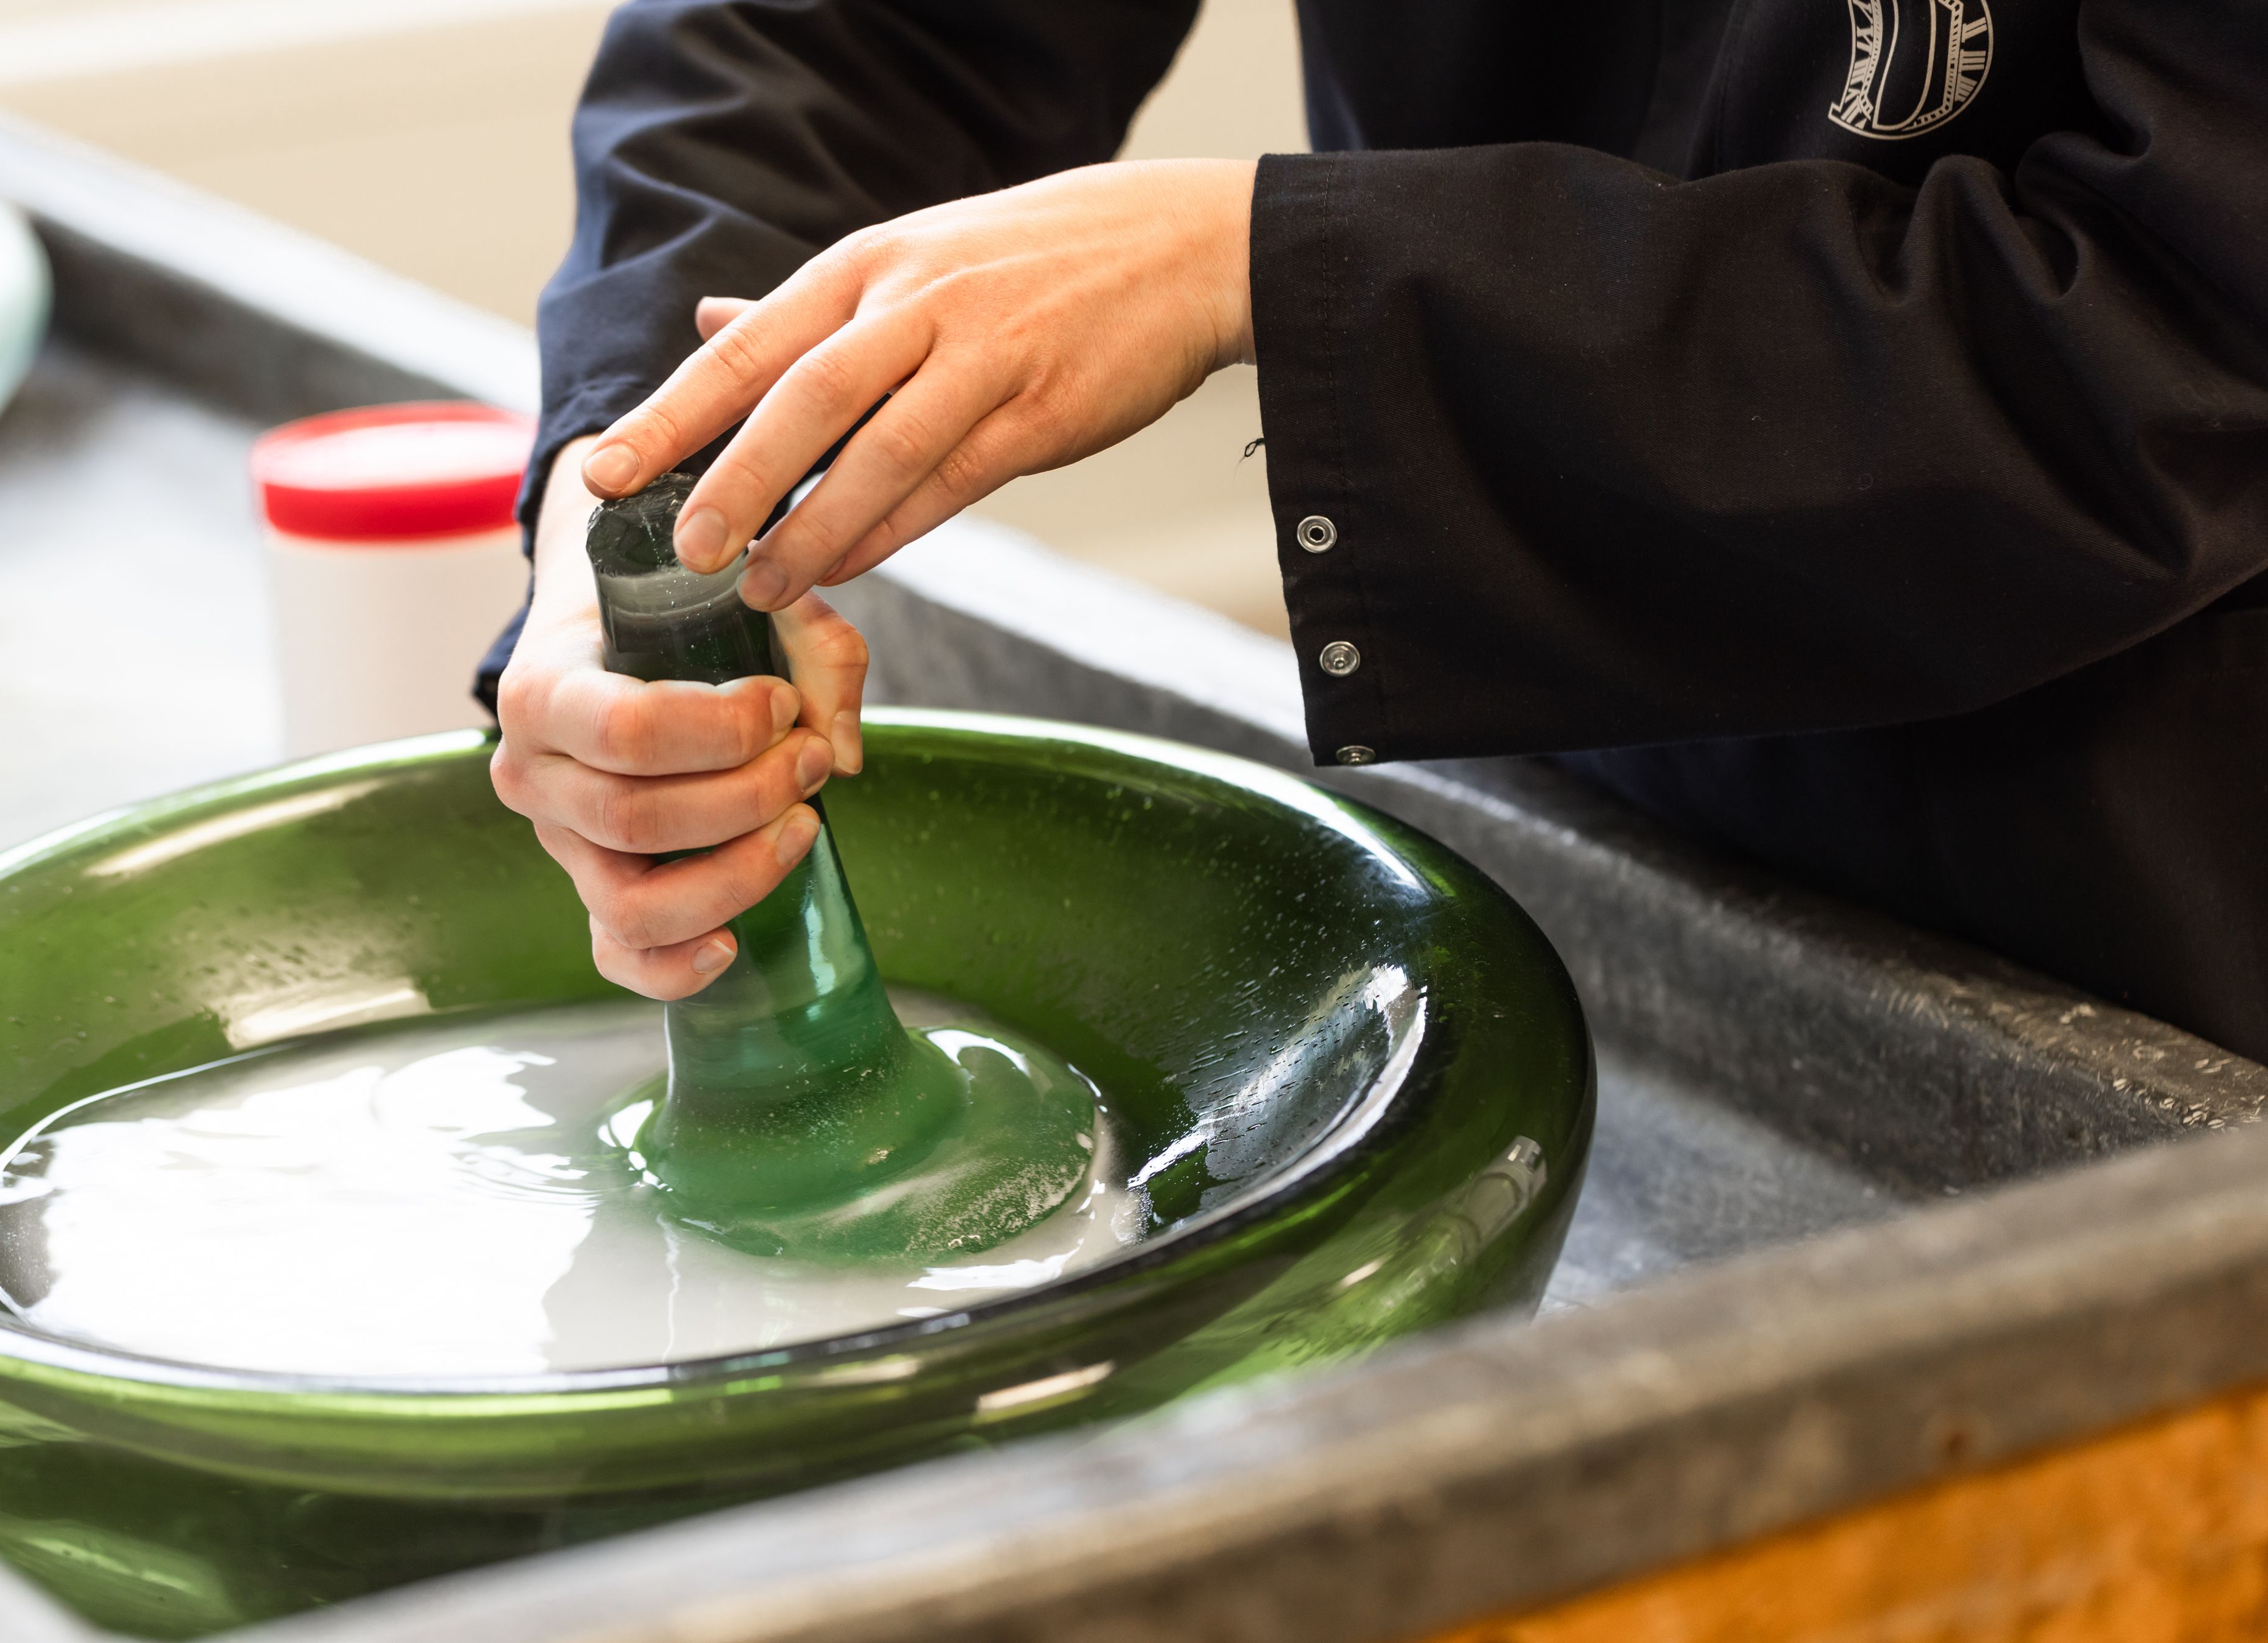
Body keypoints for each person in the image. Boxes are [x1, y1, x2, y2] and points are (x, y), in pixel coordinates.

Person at [481, 0, 2268, 1063]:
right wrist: (625, 506)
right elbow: (863, 35)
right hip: (1561, 822)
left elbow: (2175, 338)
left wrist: (1250, 263)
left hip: (2146, 900)